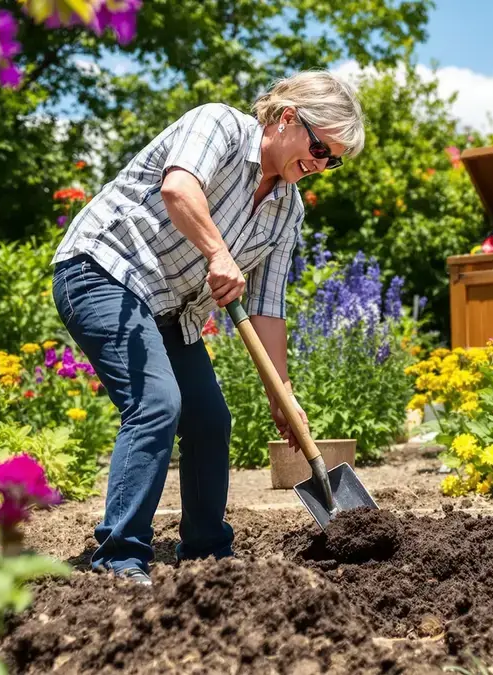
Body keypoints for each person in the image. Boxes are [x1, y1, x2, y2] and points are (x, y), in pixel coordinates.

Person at [50, 71, 366, 586]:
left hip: (171, 309)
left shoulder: (287, 210)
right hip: (104, 270)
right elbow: (178, 188)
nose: (320, 165)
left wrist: (281, 394)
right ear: (288, 118)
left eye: (332, 160)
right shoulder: (218, 125)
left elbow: (267, 306)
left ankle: (208, 555)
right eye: (319, 149)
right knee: (156, 403)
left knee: (209, 420)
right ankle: (120, 558)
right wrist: (218, 254)